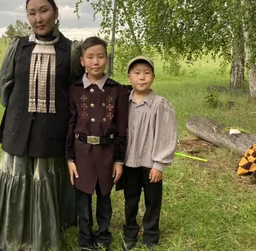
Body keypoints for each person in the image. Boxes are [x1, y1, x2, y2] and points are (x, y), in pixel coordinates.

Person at [0, 0, 84, 251]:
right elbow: (4, 86)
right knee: (17, 175)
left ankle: (44, 234)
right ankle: (12, 232)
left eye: (44, 10)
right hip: (18, 127)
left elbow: (74, 90)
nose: (38, 18)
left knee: (44, 177)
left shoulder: (71, 50)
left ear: (56, 12)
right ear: (27, 16)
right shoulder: (17, 46)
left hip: (53, 130)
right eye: (32, 12)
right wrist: (21, 111)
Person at [66, 36, 128, 251]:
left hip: (107, 154)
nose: (95, 62)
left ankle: (103, 235)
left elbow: (121, 129)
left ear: (107, 59)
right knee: (82, 199)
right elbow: (70, 125)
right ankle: (85, 239)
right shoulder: (74, 89)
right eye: (90, 57)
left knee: (104, 198)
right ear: (82, 61)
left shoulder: (116, 90)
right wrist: (69, 158)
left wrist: (119, 159)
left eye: (100, 57)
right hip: (81, 153)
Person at [121, 56, 178, 250]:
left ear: (153, 77)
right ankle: (129, 232)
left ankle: (151, 235)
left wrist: (159, 164)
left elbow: (166, 134)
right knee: (131, 199)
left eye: (146, 73)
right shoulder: (124, 103)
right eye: (137, 73)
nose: (142, 78)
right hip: (129, 162)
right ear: (129, 77)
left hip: (150, 164)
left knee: (152, 201)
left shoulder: (160, 104)